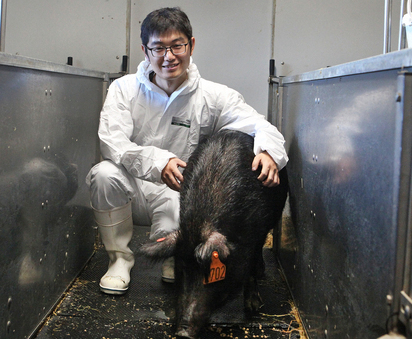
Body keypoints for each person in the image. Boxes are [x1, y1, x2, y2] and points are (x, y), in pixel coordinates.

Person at [86, 7, 288, 295]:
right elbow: (112, 142)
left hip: (178, 193)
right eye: (158, 48)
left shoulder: (213, 96)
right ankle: (119, 259)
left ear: (191, 45)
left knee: (184, 207)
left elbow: (259, 125)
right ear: (145, 50)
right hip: (130, 188)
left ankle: (175, 258)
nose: (168, 57)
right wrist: (159, 161)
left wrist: (267, 152)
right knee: (103, 174)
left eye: (177, 46)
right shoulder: (124, 89)